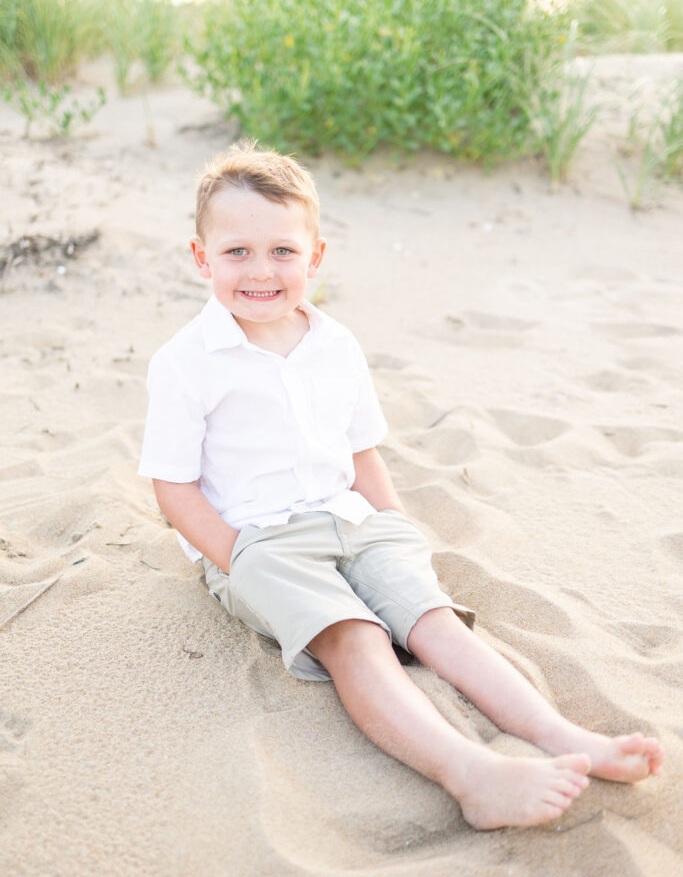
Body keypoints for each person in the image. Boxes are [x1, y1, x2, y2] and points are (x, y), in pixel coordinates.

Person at [139, 140, 663, 830]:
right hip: (256, 539)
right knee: (354, 637)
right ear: (202, 258)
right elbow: (173, 489)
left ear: (315, 257)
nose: (260, 271)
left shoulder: (336, 346)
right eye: (236, 252)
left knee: (434, 624)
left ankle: (564, 737)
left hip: (352, 520)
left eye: (283, 252)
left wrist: (394, 527)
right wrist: (239, 558)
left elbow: (360, 454)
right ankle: (470, 773)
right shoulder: (186, 362)